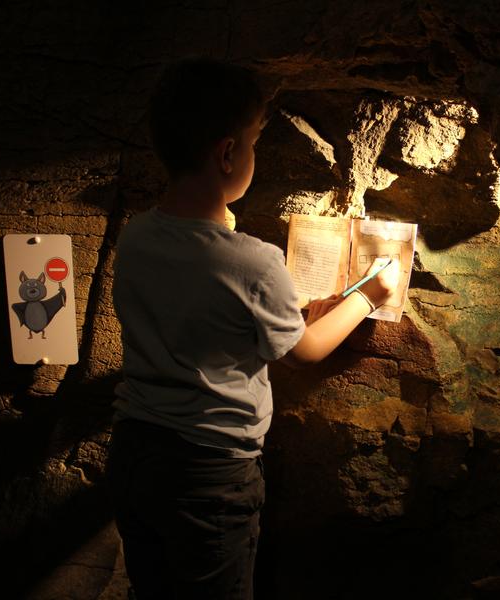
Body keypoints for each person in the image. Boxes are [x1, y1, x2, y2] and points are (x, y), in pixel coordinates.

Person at [106, 57, 396, 600]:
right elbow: (305, 350)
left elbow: (198, 301)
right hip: (209, 473)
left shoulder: (137, 237)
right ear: (228, 154)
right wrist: (367, 296)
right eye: (254, 144)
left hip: (136, 454)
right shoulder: (254, 263)